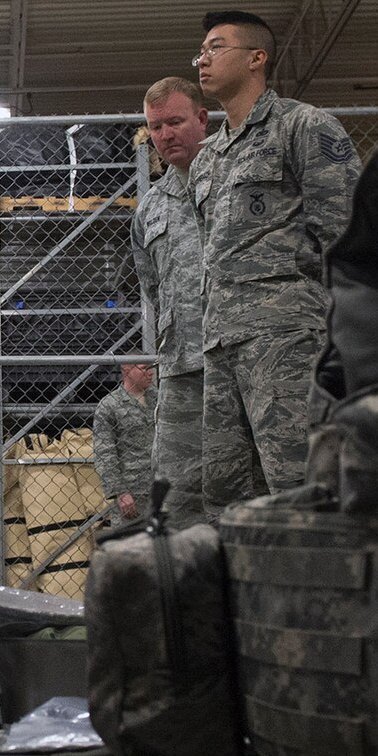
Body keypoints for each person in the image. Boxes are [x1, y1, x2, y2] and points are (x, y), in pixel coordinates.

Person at [189, 11, 359, 516]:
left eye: (216, 47)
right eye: (200, 51)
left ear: (256, 58)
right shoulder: (209, 156)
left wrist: (341, 335)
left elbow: (344, 234)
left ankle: (323, 592)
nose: (203, 59)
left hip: (286, 337)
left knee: (300, 483)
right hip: (221, 344)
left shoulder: (304, 127)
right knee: (229, 497)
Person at [131, 77, 211, 531]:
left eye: (175, 122)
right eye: (155, 127)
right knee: (177, 495)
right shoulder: (150, 209)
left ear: (202, 118)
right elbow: (153, 288)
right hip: (181, 369)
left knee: (255, 483)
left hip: (241, 359)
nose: (165, 135)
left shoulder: (234, 178)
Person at [92, 362, 158, 525]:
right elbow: (105, 454)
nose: (150, 373)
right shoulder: (110, 405)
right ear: (127, 370)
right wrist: (120, 492)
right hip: (133, 491)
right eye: (144, 368)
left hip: (163, 487)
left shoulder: (159, 398)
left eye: (152, 368)